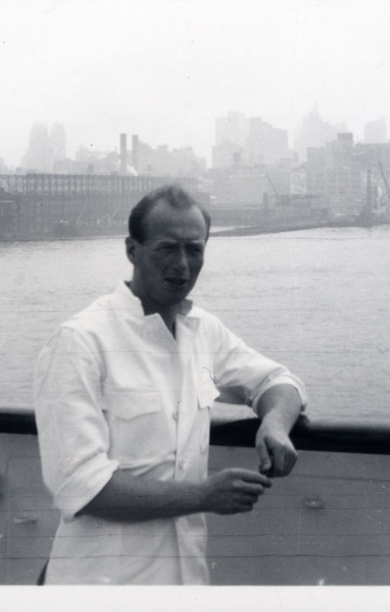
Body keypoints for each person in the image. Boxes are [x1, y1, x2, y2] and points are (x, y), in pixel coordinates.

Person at [34, 184, 306, 585]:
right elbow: (80, 485)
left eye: (194, 249)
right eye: (167, 248)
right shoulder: (81, 341)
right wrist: (205, 495)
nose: (182, 264)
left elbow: (277, 380)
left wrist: (276, 424)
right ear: (132, 250)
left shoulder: (202, 331)